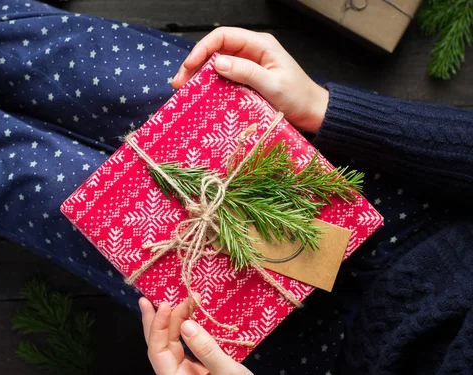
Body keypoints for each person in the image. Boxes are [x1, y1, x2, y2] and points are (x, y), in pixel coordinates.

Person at [0, 1, 471, 374]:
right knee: (52, 55)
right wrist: (330, 110)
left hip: (302, 350)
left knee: (17, 179)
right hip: (390, 192)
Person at [140, 28, 473, 375]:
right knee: (97, 65)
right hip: (387, 191)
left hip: (290, 345)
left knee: (84, 196)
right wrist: (324, 108)